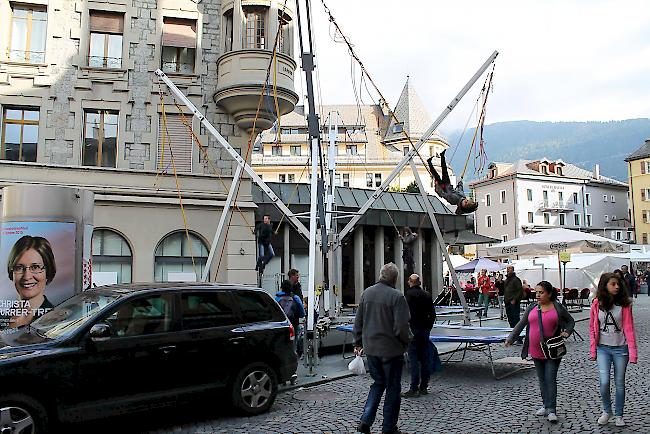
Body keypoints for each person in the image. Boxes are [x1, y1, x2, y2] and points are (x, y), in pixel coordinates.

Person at [506, 281, 575, 423]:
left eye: (541, 292)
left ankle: (551, 409)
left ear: (549, 294)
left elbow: (570, 321)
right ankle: (545, 404)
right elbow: (521, 324)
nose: (537, 295)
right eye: (536, 292)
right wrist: (511, 338)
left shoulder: (557, 307)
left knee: (550, 378)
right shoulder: (532, 307)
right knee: (542, 379)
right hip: (535, 350)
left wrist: (567, 332)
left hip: (552, 350)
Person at [354, 263, 411, 434]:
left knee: (378, 384)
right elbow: (401, 326)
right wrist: (406, 342)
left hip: (371, 349)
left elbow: (358, 321)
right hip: (391, 350)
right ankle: (388, 427)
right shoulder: (397, 297)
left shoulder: (367, 293)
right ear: (395, 279)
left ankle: (365, 421)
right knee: (393, 389)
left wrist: (357, 342)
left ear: (380, 275)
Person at [590, 273, 638, 427]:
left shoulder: (625, 305)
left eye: (618, 284)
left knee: (619, 383)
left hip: (620, 349)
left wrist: (633, 353)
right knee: (604, 382)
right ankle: (606, 411)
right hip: (603, 348)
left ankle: (619, 414)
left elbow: (629, 329)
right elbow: (592, 327)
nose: (617, 286)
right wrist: (593, 350)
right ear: (605, 285)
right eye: (613, 284)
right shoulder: (597, 303)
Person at [6, 235, 56, 328]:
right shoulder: (3, 317)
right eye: (19, 267)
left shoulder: (58, 320)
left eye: (35, 267)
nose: (27, 276)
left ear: (48, 272)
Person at [402, 274, 435, 398]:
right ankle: (424, 386)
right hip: (424, 329)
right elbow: (432, 314)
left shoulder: (408, 296)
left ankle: (413, 387)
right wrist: (428, 327)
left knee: (414, 359)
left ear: (410, 282)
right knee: (425, 358)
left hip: (412, 330)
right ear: (419, 282)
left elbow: (404, 315)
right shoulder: (427, 295)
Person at [426, 150, 478, 214]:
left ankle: (429, 162)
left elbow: (443, 194)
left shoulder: (453, 201)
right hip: (447, 185)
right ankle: (442, 156)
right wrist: (460, 182)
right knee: (444, 171)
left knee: (436, 175)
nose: (465, 200)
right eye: (467, 200)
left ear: (463, 205)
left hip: (442, 188)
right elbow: (460, 189)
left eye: (465, 202)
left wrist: (437, 186)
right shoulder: (462, 196)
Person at [275, 285, 305, 354]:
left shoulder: (277, 298)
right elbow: (302, 313)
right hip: (293, 324)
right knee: (293, 343)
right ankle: (293, 355)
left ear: (281, 288)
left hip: (281, 325)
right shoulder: (295, 298)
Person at [504, 265, 524, 343]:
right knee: (510, 319)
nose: (508, 270)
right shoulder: (506, 280)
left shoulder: (516, 280)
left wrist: (515, 299)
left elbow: (520, 291)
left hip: (513, 302)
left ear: (513, 270)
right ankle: (513, 336)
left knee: (516, 319)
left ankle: (519, 337)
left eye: (509, 268)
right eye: (507, 269)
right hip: (507, 301)